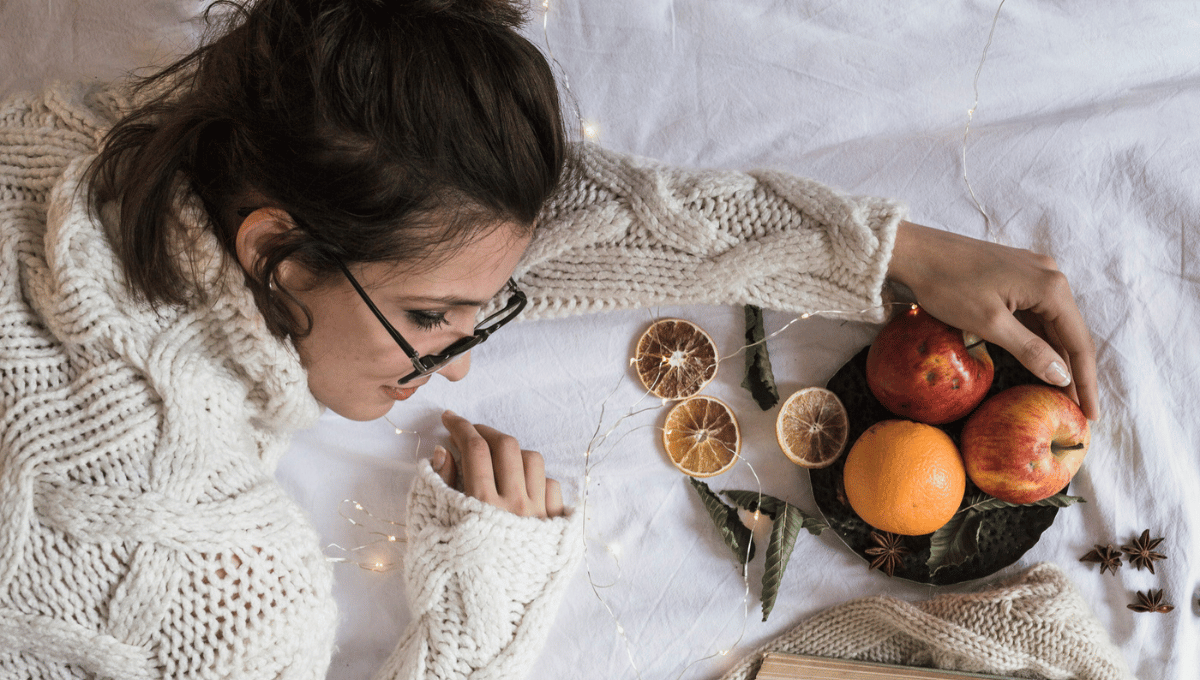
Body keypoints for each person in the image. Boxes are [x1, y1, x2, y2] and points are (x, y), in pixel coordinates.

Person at [0, 0, 1098, 678]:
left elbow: (474, 218)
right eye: (431, 321)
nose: (459, 361)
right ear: (276, 253)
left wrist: (892, 245)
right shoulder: (207, 585)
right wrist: (485, 596)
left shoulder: (81, 139)